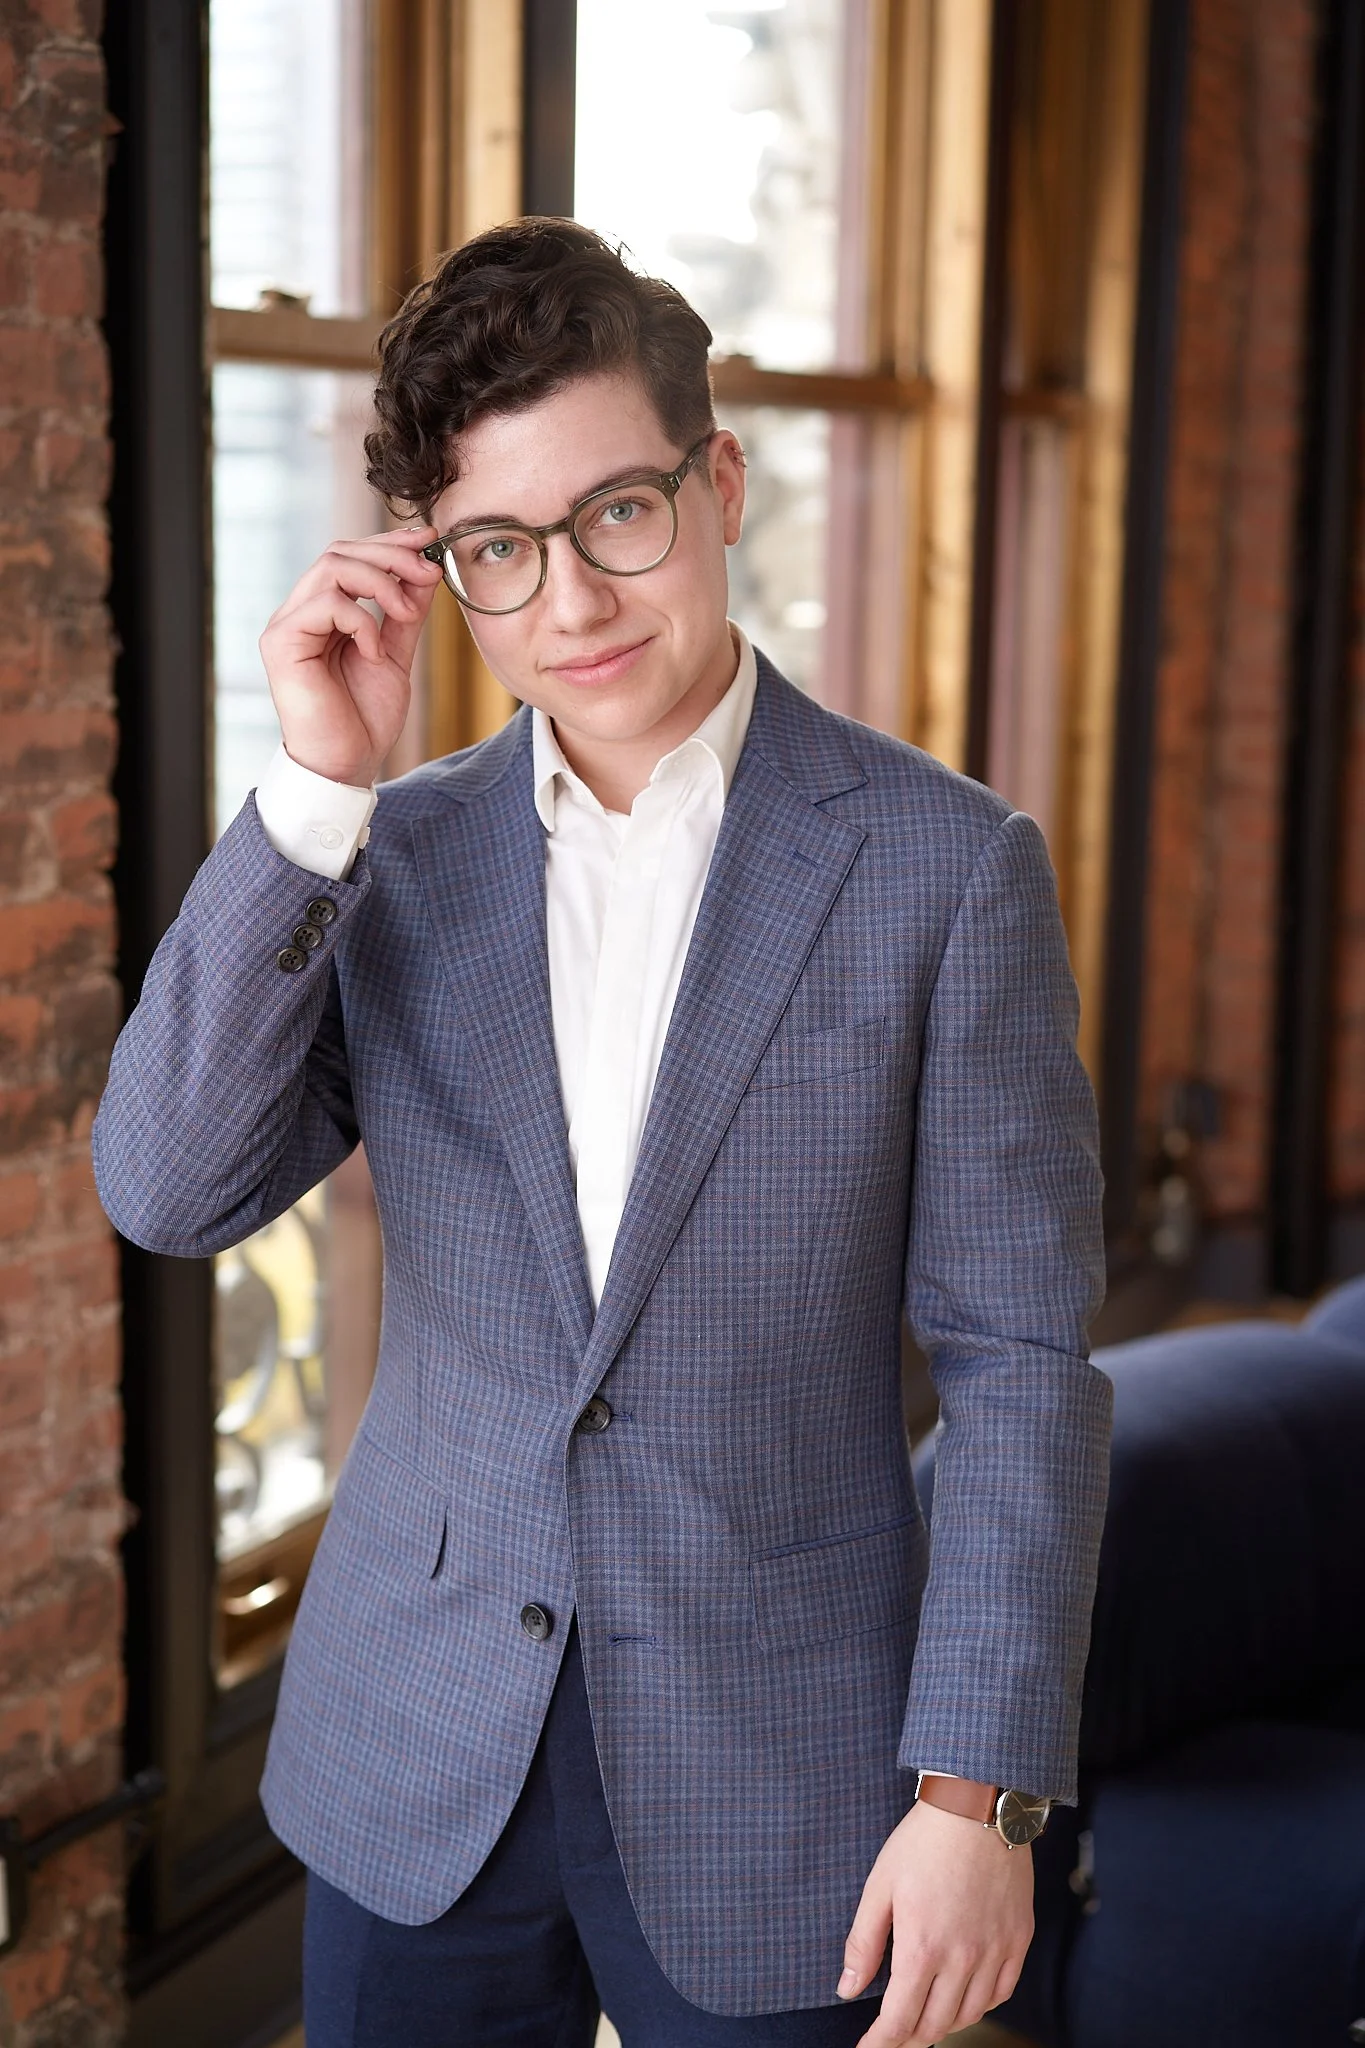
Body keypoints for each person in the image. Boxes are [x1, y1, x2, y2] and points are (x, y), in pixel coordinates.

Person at [92, 218, 1110, 2048]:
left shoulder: (950, 870)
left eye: (617, 515)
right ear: (442, 570)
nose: (571, 603)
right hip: (417, 1751)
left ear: (715, 482)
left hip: (789, 1772)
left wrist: (982, 1798)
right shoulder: (388, 857)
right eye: (501, 549)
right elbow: (168, 1190)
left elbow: (1023, 1365)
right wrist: (319, 786)